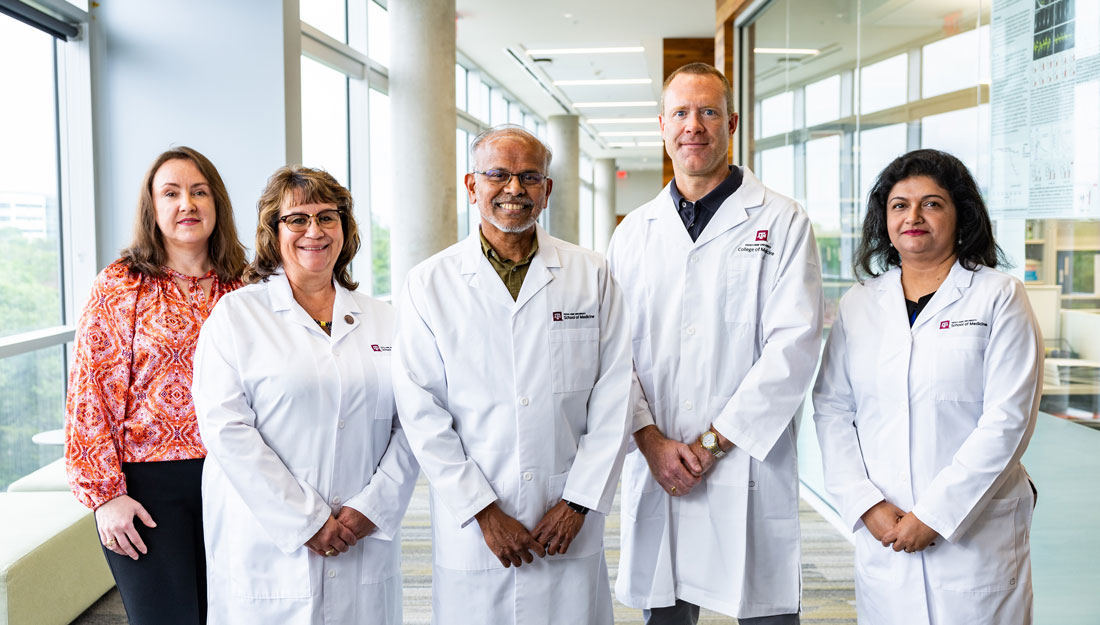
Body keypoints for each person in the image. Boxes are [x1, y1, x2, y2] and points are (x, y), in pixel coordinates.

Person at [607, 62, 824, 624]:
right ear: (662, 125)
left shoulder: (781, 221)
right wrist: (650, 440)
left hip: (743, 461)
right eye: (680, 112)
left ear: (730, 122)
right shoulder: (634, 232)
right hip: (659, 460)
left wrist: (712, 443)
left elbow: (793, 347)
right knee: (668, 613)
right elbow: (610, 353)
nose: (693, 126)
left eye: (707, 112)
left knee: (764, 610)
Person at [391, 125, 632, 625]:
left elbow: (614, 396)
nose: (514, 189)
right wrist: (482, 509)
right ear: (471, 184)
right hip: (475, 528)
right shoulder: (428, 283)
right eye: (497, 175)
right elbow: (421, 411)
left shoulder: (592, 275)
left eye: (529, 177)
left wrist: (578, 503)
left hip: (567, 515)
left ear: (548, 189)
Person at [812, 149, 1042, 624]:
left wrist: (936, 514)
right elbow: (832, 409)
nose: (913, 216)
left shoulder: (998, 296)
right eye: (899, 205)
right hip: (885, 528)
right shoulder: (860, 304)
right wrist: (865, 503)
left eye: (932, 204)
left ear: (961, 216)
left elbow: (1007, 420)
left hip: (973, 537)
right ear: (885, 221)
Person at [192, 166, 419, 624]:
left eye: (327, 217)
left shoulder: (385, 319)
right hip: (269, 544)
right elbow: (226, 429)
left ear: (345, 228)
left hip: (361, 535)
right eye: (297, 219)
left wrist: (373, 506)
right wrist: (306, 519)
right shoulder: (237, 316)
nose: (313, 231)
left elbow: (413, 422)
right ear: (273, 232)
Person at [65, 146, 247, 624]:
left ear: (217, 204)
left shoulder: (247, 286)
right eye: (171, 192)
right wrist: (105, 496)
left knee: (231, 615)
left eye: (199, 191)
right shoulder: (121, 285)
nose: (187, 203)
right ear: (153, 207)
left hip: (237, 477)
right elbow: (91, 395)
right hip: (146, 489)